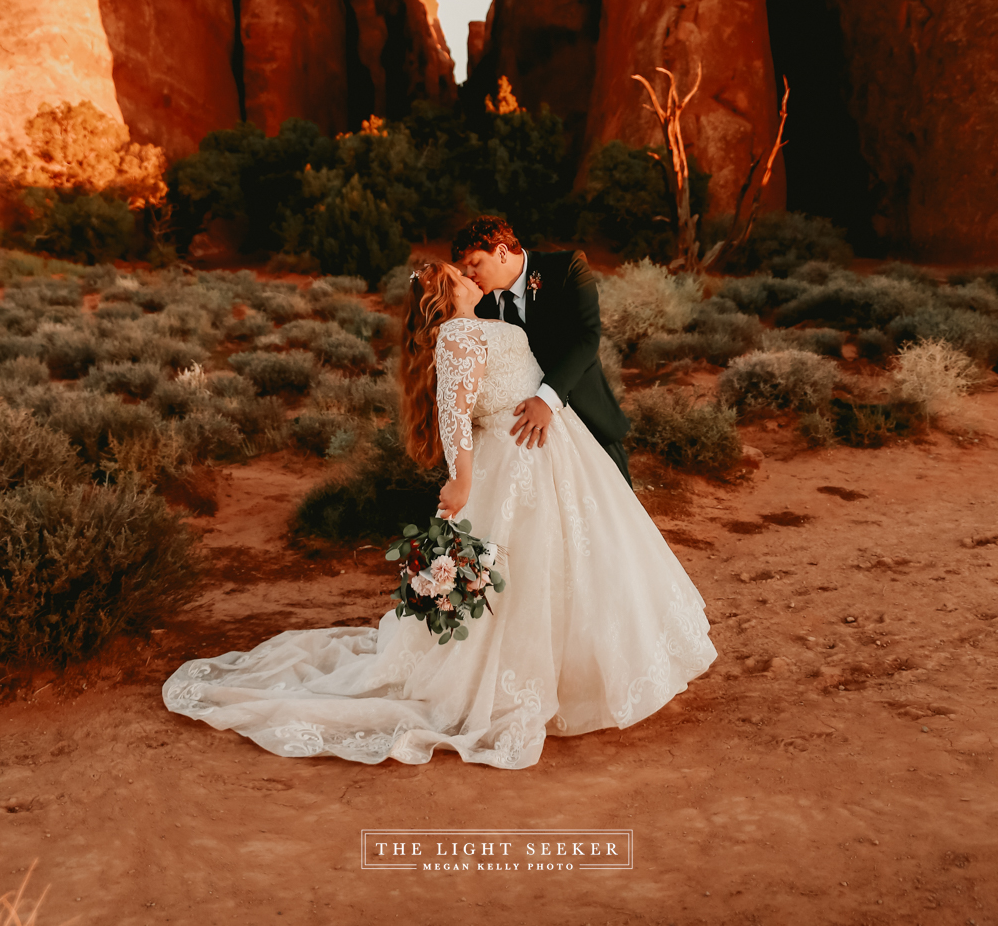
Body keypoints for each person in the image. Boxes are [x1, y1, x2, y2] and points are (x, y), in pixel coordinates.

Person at [162, 262, 716, 769]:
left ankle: (586, 673)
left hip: (553, 452)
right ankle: (517, 684)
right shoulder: (456, 334)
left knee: (573, 561)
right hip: (512, 457)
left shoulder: (483, 320)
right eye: (461, 274)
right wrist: (463, 480)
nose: (473, 274)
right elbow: (454, 415)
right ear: (444, 297)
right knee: (524, 570)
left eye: (472, 266)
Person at [453, 216, 633, 484]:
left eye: (475, 263)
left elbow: (587, 336)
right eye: (464, 268)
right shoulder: (478, 303)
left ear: (501, 252)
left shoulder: (567, 267)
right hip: (519, 440)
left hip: (583, 412)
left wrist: (546, 399)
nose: (469, 274)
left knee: (614, 509)